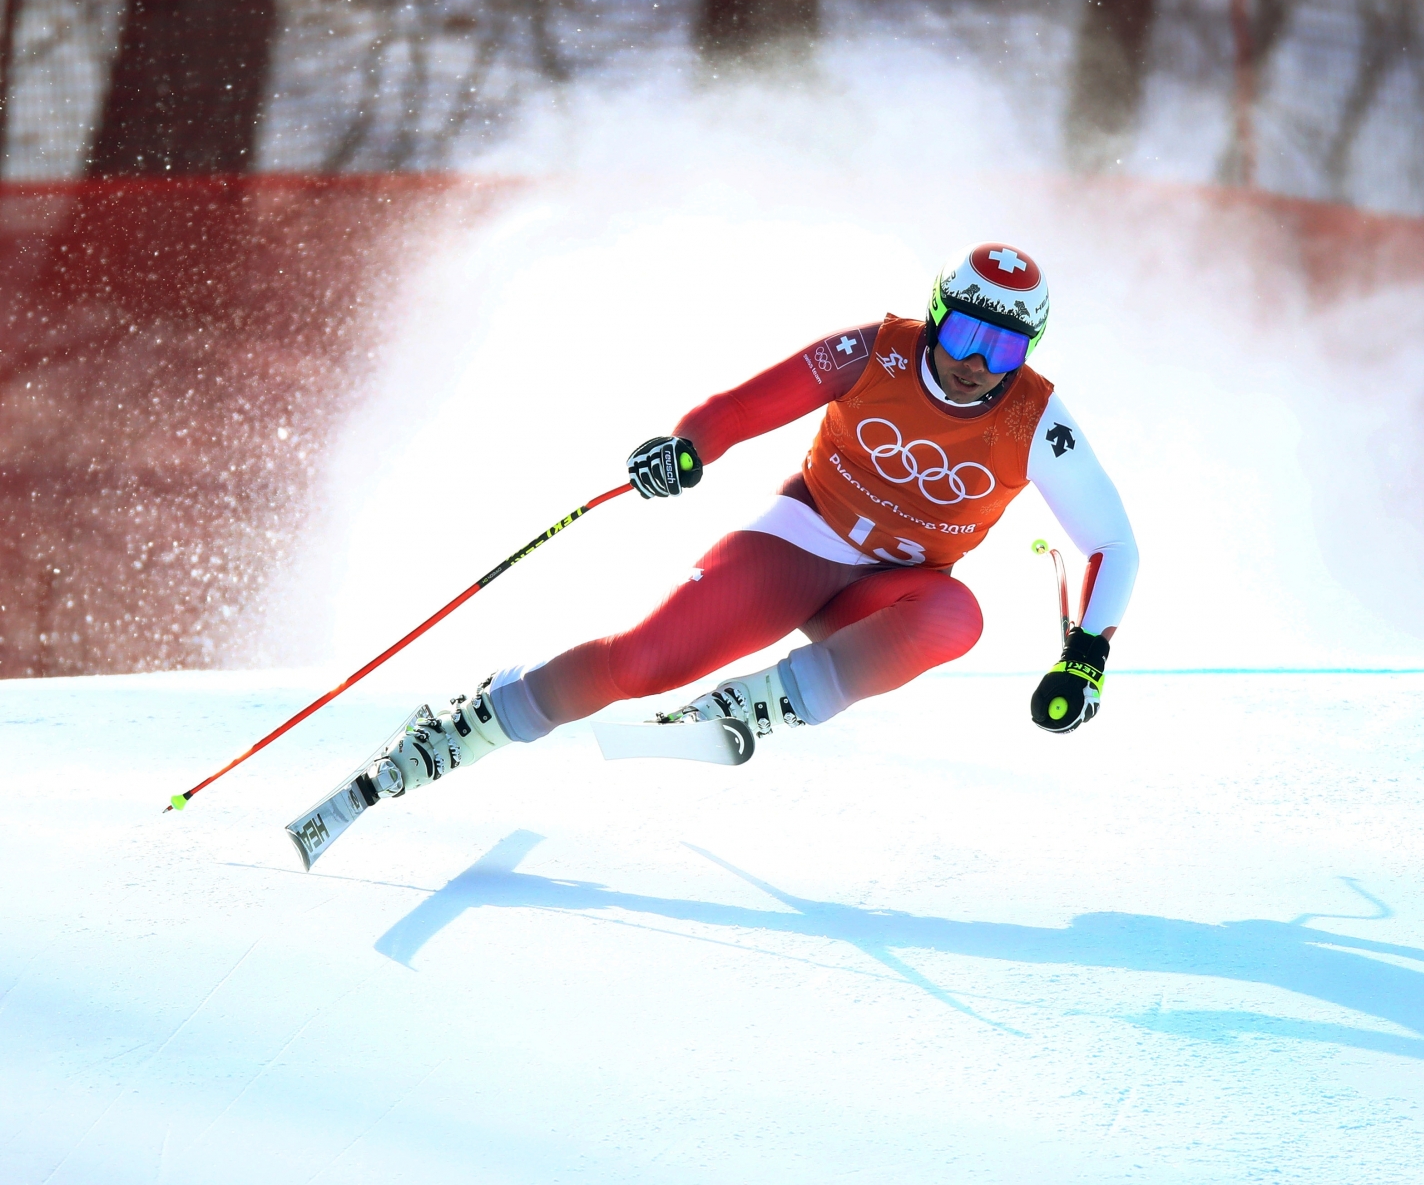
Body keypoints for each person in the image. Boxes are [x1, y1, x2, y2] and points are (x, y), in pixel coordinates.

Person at [362, 242, 1139, 800]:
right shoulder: (875, 352)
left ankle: (757, 705)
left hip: (892, 592)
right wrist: (687, 448)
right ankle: (467, 726)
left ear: (1027, 351)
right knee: (644, 660)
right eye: (967, 332)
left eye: (1003, 347)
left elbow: (1113, 543)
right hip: (799, 542)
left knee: (956, 615)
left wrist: (1086, 656)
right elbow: (737, 408)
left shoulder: (1038, 420)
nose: (978, 362)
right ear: (937, 316)